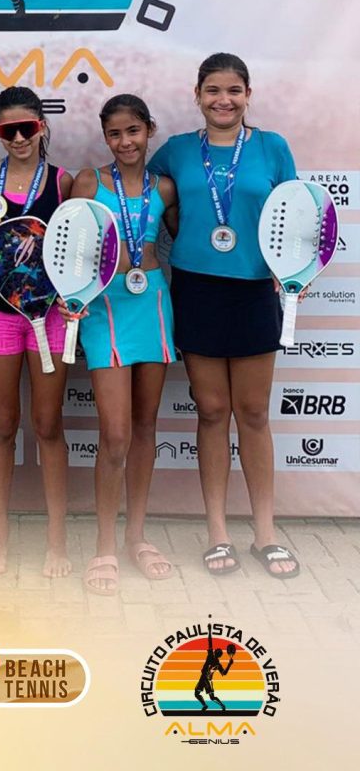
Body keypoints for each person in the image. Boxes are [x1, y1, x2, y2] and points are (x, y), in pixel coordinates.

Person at [149, 52, 300, 578]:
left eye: (234, 90)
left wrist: (297, 268)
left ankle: (266, 534)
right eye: (213, 90)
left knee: (253, 413)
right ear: (197, 95)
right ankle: (217, 532)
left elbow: (296, 214)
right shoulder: (176, 150)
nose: (223, 100)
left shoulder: (272, 147)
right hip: (197, 288)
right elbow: (143, 199)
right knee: (212, 411)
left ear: (248, 95)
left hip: (255, 289)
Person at [65, 94, 177, 595]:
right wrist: (70, 297)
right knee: (115, 434)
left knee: (145, 427)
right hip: (104, 309)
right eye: (115, 134)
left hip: (152, 304)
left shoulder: (166, 188)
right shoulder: (89, 182)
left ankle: (137, 537)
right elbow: (67, 249)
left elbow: (188, 239)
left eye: (133, 131)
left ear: (149, 130)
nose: (125, 142)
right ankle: (104, 544)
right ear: (105, 137)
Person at [0, 86, 73, 577]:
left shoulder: (63, 181)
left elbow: (77, 252)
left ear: (41, 126)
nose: (17, 138)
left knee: (48, 425)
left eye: (26, 128)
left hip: (49, 315)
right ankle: (0, 539)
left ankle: (57, 542)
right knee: (2, 426)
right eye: (7, 130)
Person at [194, 625, 236, 711]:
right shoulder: (218, 664)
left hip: (205, 678)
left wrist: (209, 630)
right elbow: (224, 673)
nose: (214, 651)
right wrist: (229, 664)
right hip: (206, 679)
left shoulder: (210, 656)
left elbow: (210, 641)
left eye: (215, 651)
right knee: (209, 696)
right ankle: (219, 705)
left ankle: (207, 705)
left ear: (215, 652)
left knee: (198, 694)